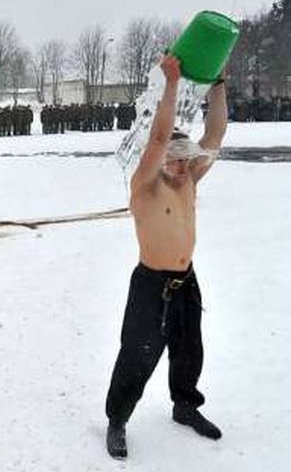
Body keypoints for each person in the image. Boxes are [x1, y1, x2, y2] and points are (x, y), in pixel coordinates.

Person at [105, 55, 228, 459]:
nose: (179, 163)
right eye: (173, 158)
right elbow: (158, 139)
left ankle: (185, 405)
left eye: (183, 157)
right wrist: (172, 84)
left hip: (185, 281)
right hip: (150, 284)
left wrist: (218, 84)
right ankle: (118, 420)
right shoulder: (145, 186)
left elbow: (215, 134)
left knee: (190, 347)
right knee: (137, 355)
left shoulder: (189, 179)